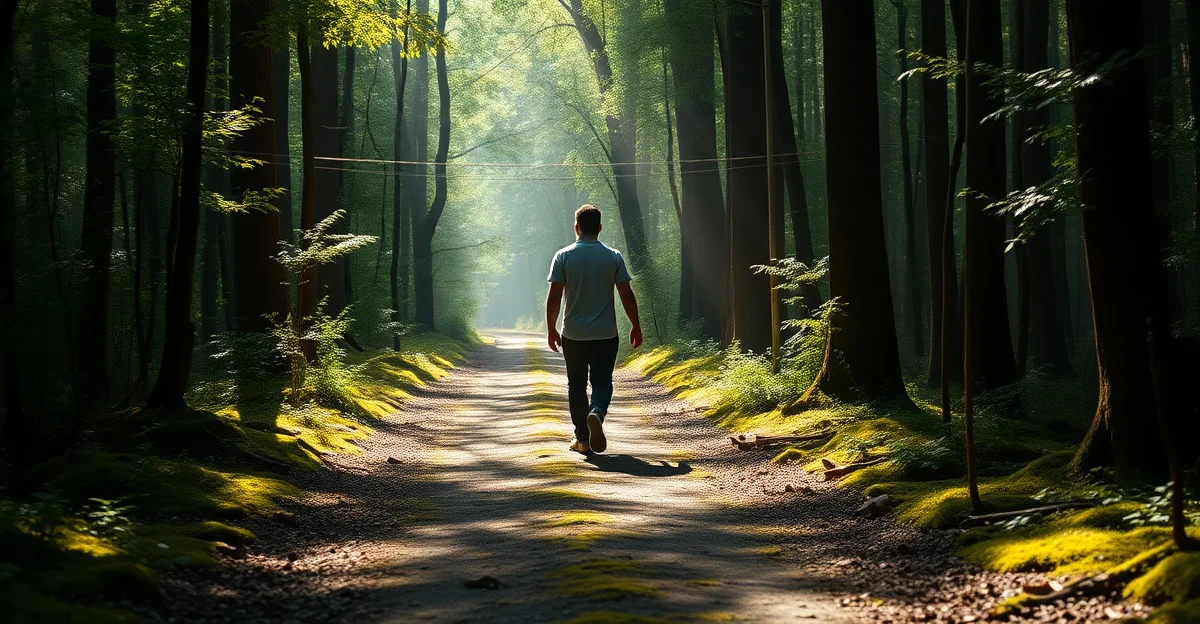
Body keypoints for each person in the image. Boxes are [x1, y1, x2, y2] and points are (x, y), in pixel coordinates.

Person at [546, 205, 643, 454]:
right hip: (605, 334)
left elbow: (554, 296)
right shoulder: (613, 256)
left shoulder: (563, 256)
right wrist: (636, 325)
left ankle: (583, 439)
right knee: (601, 381)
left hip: (573, 335)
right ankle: (597, 412)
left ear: (576, 227)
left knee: (576, 385)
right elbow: (626, 293)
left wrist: (551, 329)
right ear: (600, 228)